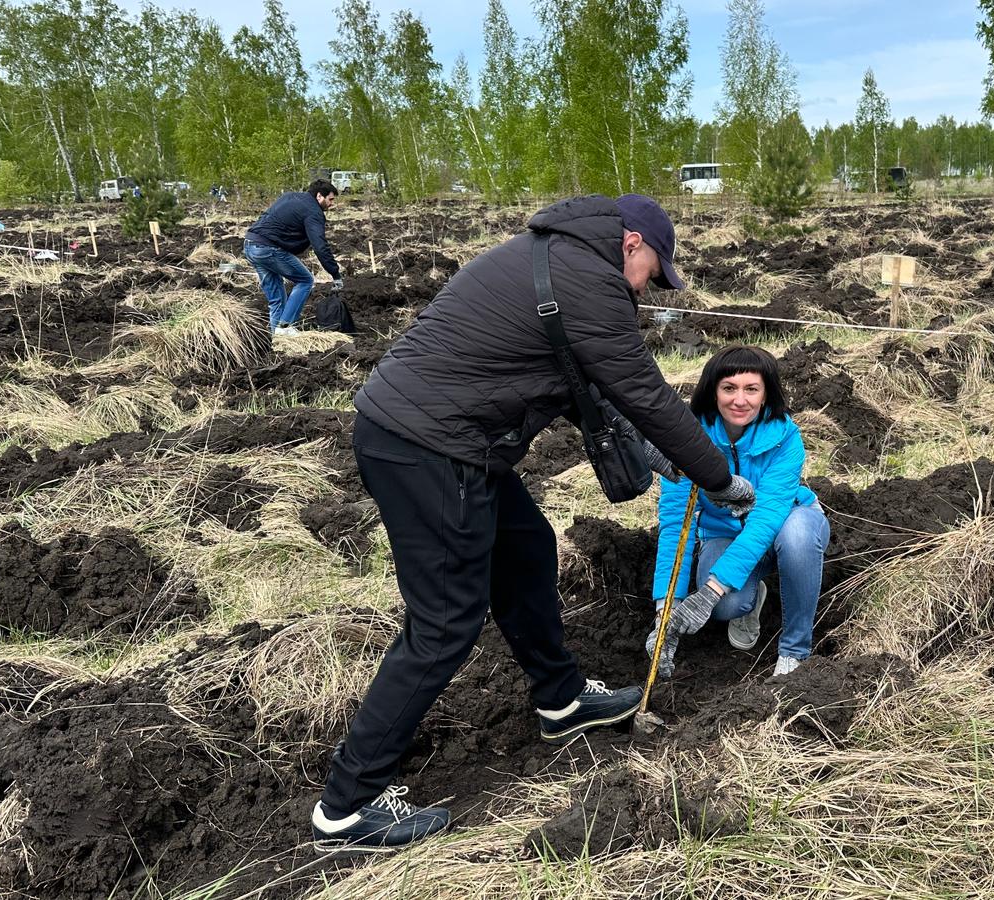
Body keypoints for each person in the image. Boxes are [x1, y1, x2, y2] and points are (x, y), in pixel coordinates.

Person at [311, 193, 756, 855]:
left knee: (526, 549)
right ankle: (348, 805)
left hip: (446, 441)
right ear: (633, 243)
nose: (651, 288)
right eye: (654, 272)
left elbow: (589, 388)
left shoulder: (557, 257)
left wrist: (665, 455)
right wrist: (717, 477)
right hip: (428, 448)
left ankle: (562, 699)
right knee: (444, 624)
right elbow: (642, 389)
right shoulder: (591, 278)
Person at [646, 345, 829, 680]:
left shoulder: (785, 437)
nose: (739, 400)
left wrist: (711, 590)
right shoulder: (685, 440)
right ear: (713, 391)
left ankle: (794, 651)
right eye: (729, 388)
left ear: (766, 394)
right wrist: (664, 612)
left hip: (786, 524)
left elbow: (767, 518)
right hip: (725, 533)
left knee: (798, 537)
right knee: (726, 607)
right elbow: (676, 526)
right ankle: (749, 596)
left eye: (751, 389)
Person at [243, 179, 343, 335]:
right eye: (330, 199)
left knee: (277, 297)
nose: (331, 204)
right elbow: (320, 246)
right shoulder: (313, 212)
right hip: (268, 249)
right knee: (305, 280)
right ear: (319, 196)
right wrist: (335, 274)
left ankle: (277, 338)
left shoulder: (290, 196)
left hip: (251, 244)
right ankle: (285, 327)